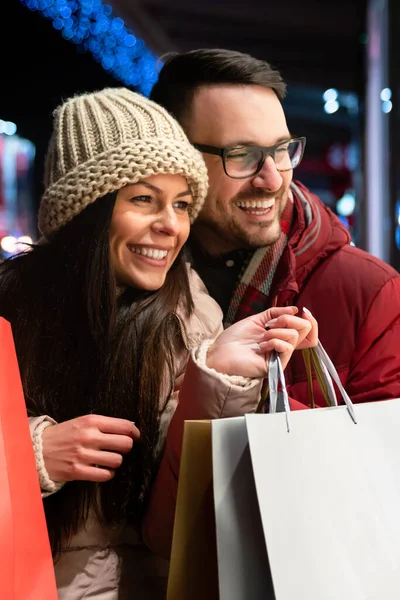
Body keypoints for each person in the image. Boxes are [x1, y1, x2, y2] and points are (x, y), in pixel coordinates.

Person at [0, 88, 317, 599]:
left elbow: (172, 531)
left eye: (183, 204)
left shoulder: (190, 319)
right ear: (87, 210)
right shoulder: (11, 307)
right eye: (144, 199)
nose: (171, 226)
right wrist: (31, 455)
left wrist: (218, 375)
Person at [141, 48, 400, 559]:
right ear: (177, 159)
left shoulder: (368, 291)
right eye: (242, 155)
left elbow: (384, 481)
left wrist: (266, 405)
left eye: (281, 150)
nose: (273, 177)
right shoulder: (131, 279)